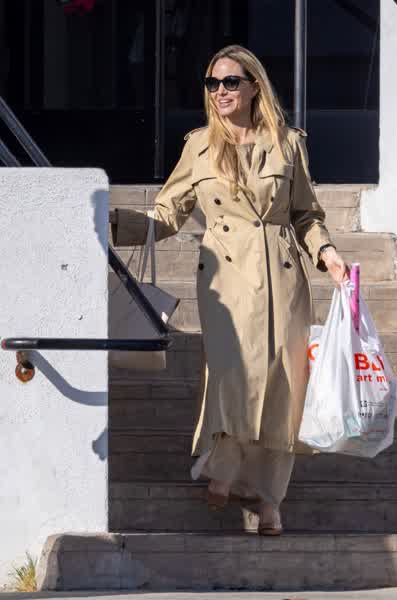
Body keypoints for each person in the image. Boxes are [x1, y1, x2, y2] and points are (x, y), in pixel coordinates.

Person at [110, 44, 349, 535]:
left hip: (282, 273)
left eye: (230, 82)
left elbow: (306, 213)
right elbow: (168, 214)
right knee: (232, 371)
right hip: (225, 275)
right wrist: (112, 222)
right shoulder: (198, 145)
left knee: (283, 381)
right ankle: (223, 467)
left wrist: (326, 253)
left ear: (254, 86)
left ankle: (269, 501)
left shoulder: (287, 143)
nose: (220, 91)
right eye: (212, 83)